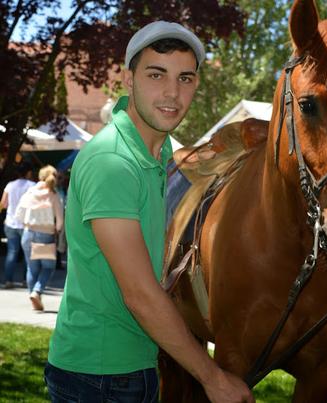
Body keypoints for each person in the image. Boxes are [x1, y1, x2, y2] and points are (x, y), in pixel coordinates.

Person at [45, 21, 254, 403]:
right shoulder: (113, 161)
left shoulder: (155, 158)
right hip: (98, 377)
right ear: (128, 80)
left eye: (185, 79)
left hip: (130, 367)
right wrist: (214, 379)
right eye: (156, 75)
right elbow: (140, 294)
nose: (172, 93)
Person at [15, 165, 63, 310]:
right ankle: (37, 292)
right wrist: (57, 230)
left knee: (31, 267)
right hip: (46, 234)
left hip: (28, 232)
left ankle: (34, 296)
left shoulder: (29, 192)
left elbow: (18, 214)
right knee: (48, 267)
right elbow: (60, 220)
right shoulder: (53, 195)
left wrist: (28, 224)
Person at [0, 161, 35, 288]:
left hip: (10, 222)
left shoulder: (10, 185)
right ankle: (26, 280)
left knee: (12, 252)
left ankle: (8, 280)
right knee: (27, 253)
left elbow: (3, 204)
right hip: (26, 223)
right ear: (29, 172)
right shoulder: (32, 186)